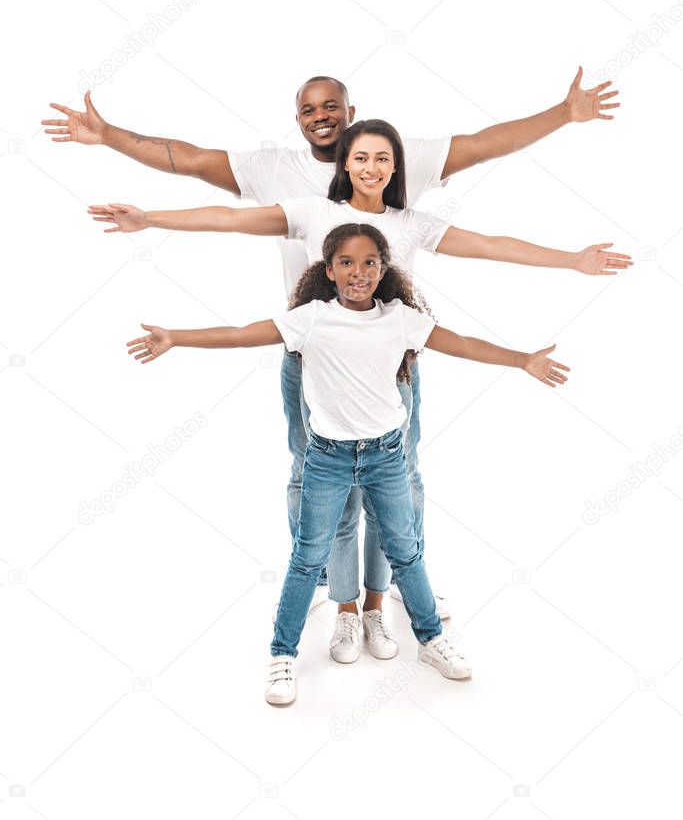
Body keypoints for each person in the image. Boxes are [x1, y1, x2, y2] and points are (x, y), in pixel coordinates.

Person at [43, 71, 618, 629]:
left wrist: (566, 134)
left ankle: (397, 580)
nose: (323, 119)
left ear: (355, 120)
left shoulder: (403, 199)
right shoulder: (300, 196)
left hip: (392, 359)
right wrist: (141, 198)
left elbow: (486, 201)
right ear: (304, 124)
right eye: (308, 109)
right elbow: (213, 194)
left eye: (332, 108)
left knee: (402, 475)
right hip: (309, 355)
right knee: (312, 476)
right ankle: (325, 581)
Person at [124, 222, 572, 705]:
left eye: (369, 263)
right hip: (328, 459)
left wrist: (522, 358)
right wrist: (177, 336)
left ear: (383, 270)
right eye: (346, 263)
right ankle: (282, 657)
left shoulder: (399, 317)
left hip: (386, 456)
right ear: (329, 270)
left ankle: (430, 641)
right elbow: (239, 334)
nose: (358, 273)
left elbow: (461, 342)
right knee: (307, 558)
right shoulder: (311, 318)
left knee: (406, 552)